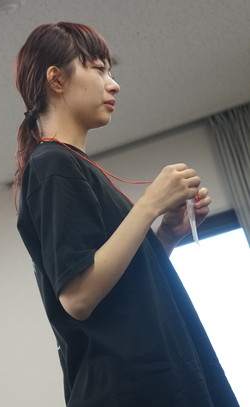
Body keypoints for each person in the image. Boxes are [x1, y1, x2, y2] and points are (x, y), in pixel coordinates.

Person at [14, 22, 239, 406]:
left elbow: (116, 290)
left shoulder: (70, 166)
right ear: (57, 79)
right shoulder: (53, 164)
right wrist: (150, 204)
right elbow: (78, 297)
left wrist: (166, 236)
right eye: (99, 69)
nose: (113, 84)